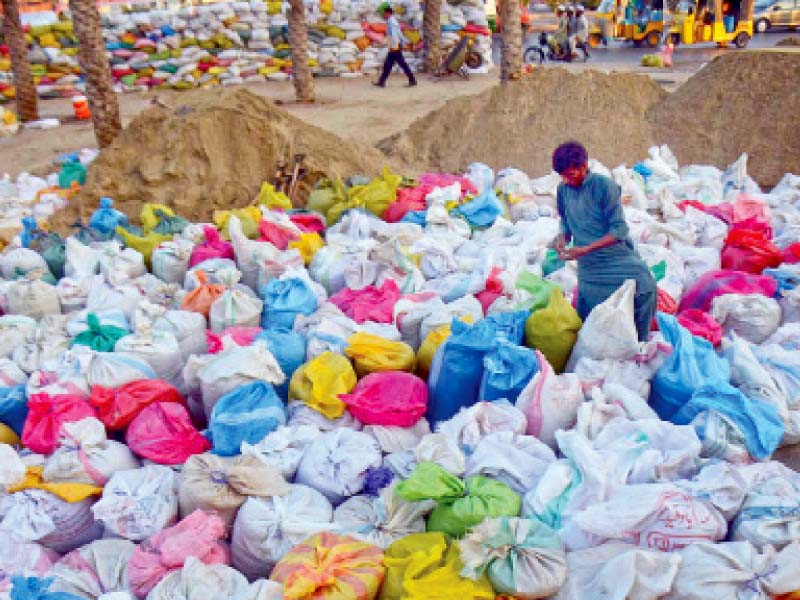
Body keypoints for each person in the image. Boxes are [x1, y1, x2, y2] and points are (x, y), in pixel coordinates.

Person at [552, 141, 657, 342]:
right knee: (591, 315)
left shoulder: (604, 186)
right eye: (562, 176)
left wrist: (585, 249)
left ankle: (639, 342)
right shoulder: (563, 190)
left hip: (617, 257)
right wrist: (562, 238)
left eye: (571, 175)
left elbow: (619, 229)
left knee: (646, 287)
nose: (566, 180)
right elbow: (566, 222)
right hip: (590, 266)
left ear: (584, 167)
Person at [373, 6, 417, 88]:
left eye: (384, 14)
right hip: (394, 46)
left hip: (394, 47)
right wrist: (403, 42)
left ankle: (412, 80)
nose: (383, 15)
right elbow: (399, 33)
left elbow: (394, 35)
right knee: (388, 65)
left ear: (388, 13)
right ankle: (382, 81)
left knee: (401, 64)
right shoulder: (392, 21)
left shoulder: (391, 22)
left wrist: (396, 45)